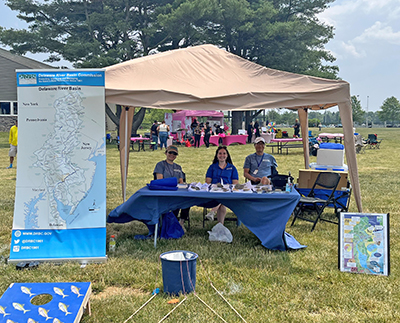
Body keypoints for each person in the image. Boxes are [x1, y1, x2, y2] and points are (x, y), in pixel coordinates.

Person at [138, 146, 189, 239]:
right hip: (165, 194)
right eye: (170, 153)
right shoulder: (160, 165)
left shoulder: (178, 167)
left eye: (174, 154)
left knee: (188, 200)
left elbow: (181, 182)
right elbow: (160, 180)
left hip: (177, 193)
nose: (172, 155)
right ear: (166, 153)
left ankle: (181, 223)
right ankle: (168, 224)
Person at [205, 146, 239, 224]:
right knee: (222, 203)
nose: (222, 155)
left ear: (227, 155)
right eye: (220, 153)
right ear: (217, 155)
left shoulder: (232, 168)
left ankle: (213, 211)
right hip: (214, 191)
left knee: (222, 199)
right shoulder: (212, 167)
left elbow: (235, 183)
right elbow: (208, 182)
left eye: (224, 153)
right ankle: (220, 226)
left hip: (227, 192)